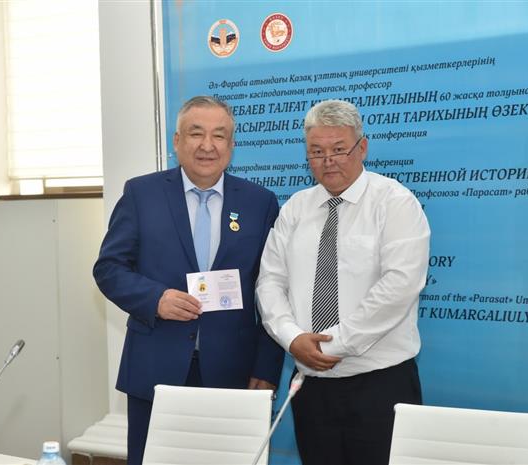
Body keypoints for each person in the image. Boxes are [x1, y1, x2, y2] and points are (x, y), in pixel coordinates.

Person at [93, 96, 284, 465]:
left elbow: (272, 287)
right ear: (177, 141)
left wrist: (266, 365)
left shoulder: (259, 202)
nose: (207, 145)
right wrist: (155, 299)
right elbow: (109, 268)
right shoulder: (141, 194)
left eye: (219, 135)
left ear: (232, 145)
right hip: (156, 367)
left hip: (234, 371)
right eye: (196, 134)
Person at [256, 99, 430, 465]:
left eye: (339, 149)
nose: (328, 160)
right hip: (312, 388)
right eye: (316, 152)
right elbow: (270, 281)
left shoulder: (395, 202)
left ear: (362, 147)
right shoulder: (295, 208)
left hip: (380, 383)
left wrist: (333, 344)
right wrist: (292, 337)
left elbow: (398, 287)